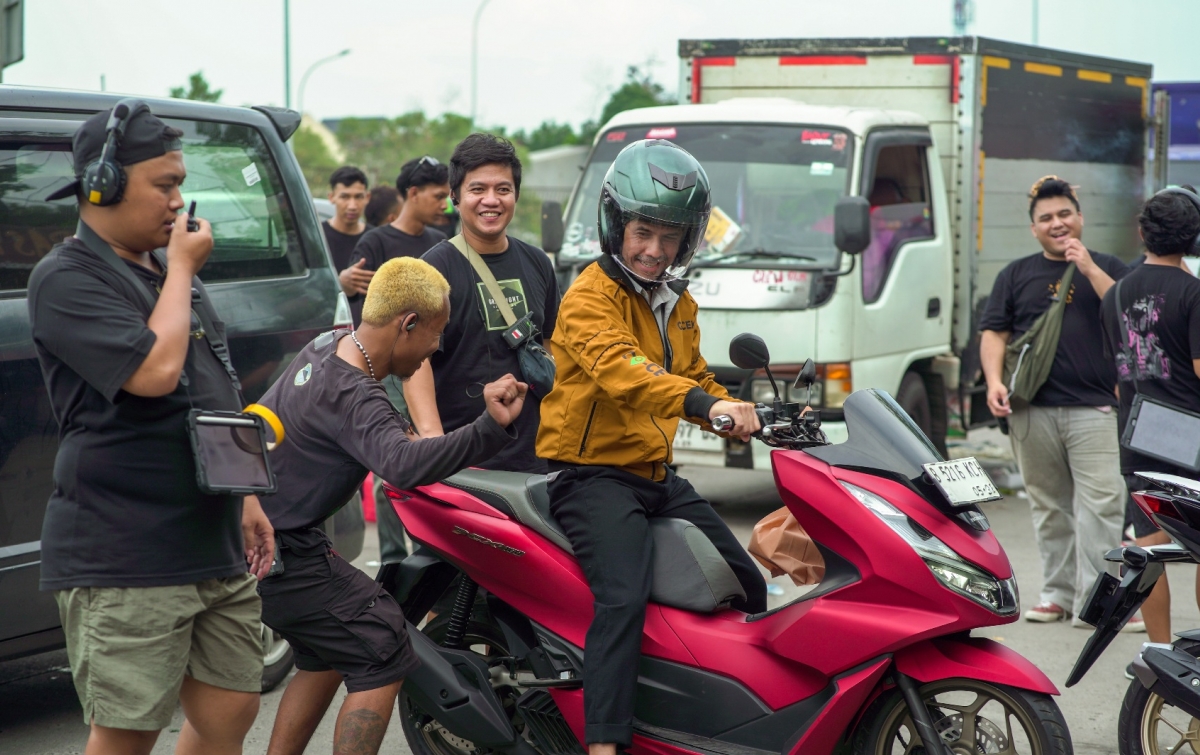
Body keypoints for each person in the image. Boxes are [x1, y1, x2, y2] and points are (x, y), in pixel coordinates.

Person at [27, 102, 274, 755]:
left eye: (179, 182)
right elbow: (155, 372)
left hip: (207, 535)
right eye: (164, 183)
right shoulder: (65, 278)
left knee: (233, 706)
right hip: (125, 549)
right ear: (102, 183)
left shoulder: (164, 273)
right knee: (127, 730)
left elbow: (212, 387)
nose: (178, 199)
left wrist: (244, 494)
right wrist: (185, 268)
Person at [536, 139, 768, 753]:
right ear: (616, 224)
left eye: (670, 238)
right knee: (622, 598)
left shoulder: (676, 299)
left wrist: (750, 410)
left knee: (747, 583)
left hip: (657, 475)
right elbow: (625, 373)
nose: (654, 250)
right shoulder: (589, 297)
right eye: (643, 232)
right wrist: (706, 405)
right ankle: (606, 743)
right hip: (591, 478)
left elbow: (694, 378)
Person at [254, 257, 526, 755]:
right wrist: (488, 429)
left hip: (270, 537)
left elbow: (379, 435)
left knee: (326, 654)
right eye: (435, 334)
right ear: (408, 324)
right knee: (383, 644)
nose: (437, 348)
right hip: (283, 552)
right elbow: (399, 461)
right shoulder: (354, 393)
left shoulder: (327, 345)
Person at [979, 175, 1138, 629]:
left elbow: (1127, 314)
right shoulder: (1015, 274)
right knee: (1049, 505)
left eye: (1064, 214)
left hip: (1095, 409)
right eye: (1046, 218)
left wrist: (1087, 266)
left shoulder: (1107, 266)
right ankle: (1056, 594)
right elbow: (995, 332)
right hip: (1033, 409)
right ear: (1034, 228)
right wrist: (994, 381)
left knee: (1102, 506)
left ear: (1080, 218)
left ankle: (1098, 600)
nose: (1057, 223)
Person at [404, 133, 558, 472]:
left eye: (503, 189)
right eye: (478, 189)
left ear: (515, 194)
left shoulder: (538, 263)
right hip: (466, 462)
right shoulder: (433, 271)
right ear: (455, 198)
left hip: (537, 457)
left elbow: (550, 344)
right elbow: (415, 364)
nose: (492, 200)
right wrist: (433, 442)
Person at [1101, 187, 1200, 647]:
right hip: (1191, 438)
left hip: (1137, 435)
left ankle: (1158, 651)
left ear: (1142, 233)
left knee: (1152, 545)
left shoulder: (1115, 293)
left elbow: (1117, 373)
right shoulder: (1194, 294)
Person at [343, 156, 451, 325]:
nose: (445, 205)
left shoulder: (440, 241)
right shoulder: (374, 242)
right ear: (414, 193)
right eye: (439, 197)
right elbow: (360, 310)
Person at [323, 166, 371, 275]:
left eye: (359, 197)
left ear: (367, 197)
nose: (352, 206)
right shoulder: (318, 236)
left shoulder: (375, 238)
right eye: (344, 197)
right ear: (331, 197)